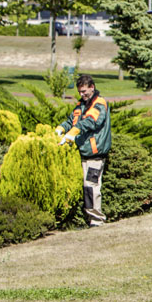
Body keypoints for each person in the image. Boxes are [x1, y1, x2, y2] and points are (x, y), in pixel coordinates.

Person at [56, 74, 111, 227]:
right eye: (80, 92)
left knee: (91, 186)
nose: (82, 95)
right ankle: (90, 219)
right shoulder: (81, 106)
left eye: (84, 91)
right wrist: (61, 129)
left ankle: (96, 221)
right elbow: (71, 120)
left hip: (95, 154)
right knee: (87, 187)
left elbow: (91, 122)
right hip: (83, 153)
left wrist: (74, 132)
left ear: (92, 88)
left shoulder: (100, 104)